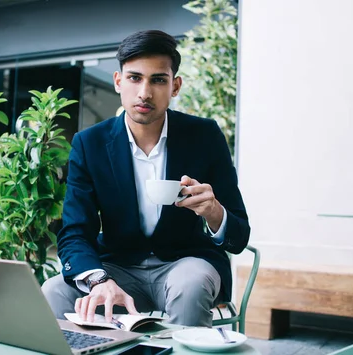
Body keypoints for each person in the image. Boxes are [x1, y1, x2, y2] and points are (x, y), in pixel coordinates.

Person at [42, 30, 250, 327]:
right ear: (118, 81)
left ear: (175, 86)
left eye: (158, 80)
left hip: (184, 262)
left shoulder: (204, 136)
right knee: (54, 291)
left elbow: (239, 235)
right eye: (134, 78)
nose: (144, 92)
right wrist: (99, 279)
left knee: (189, 287)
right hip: (118, 265)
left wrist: (215, 212)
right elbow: (75, 230)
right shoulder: (90, 144)